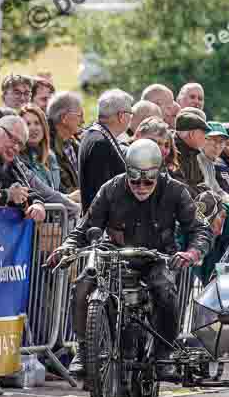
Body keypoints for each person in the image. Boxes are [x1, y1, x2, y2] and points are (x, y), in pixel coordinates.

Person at [47, 139, 211, 379]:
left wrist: (191, 253)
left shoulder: (176, 190)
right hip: (113, 254)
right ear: (126, 172)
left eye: (148, 181)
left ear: (159, 173)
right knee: (83, 284)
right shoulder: (111, 189)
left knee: (164, 289)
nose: (141, 186)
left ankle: (164, 352)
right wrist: (67, 248)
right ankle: (83, 350)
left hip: (157, 257)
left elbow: (200, 228)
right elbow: (84, 228)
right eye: (135, 180)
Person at [0, 115, 80, 221]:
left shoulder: (15, 164)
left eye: (20, 144)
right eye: (13, 139)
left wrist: (37, 204)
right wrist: (8, 195)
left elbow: (33, 190)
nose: (15, 147)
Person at [78, 89, 134, 212]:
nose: (131, 118)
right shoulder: (100, 143)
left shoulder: (95, 135)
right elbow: (103, 190)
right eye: (131, 113)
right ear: (121, 116)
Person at [18, 104, 62, 192]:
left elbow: (57, 191)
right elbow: (37, 193)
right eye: (27, 124)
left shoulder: (50, 156)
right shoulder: (18, 159)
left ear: (44, 127)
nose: (33, 128)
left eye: (37, 123)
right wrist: (68, 197)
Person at [48, 91, 84, 195]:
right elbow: (60, 188)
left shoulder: (75, 144)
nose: (83, 121)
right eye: (80, 115)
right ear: (64, 118)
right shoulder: (47, 147)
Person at [174, 107, 211, 196]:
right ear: (192, 134)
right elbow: (178, 188)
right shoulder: (172, 151)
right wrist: (201, 193)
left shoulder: (192, 151)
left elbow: (202, 183)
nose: (206, 138)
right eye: (203, 133)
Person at [198, 122, 229, 198]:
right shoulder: (196, 159)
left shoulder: (210, 161)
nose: (217, 146)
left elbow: (217, 190)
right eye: (213, 140)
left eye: (221, 142)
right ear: (202, 139)